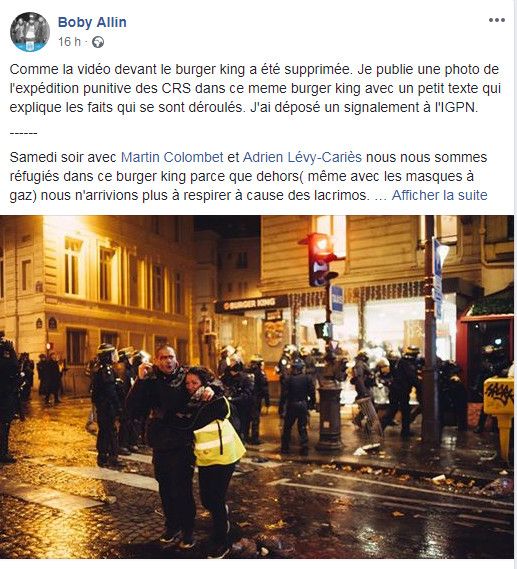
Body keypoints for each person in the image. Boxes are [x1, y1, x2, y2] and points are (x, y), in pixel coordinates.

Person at [126, 344, 213, 548]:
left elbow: (212, 380)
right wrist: (139, 380)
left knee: (183, 488)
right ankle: (172, 526)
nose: (168, 361)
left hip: (182, 441)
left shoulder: (185, 375)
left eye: (171, 357)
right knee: (165, 487)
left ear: (176, 358)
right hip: (160, 442)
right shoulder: (150, 378)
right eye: (163, 357)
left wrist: (210, 389)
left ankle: (188, 530)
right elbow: (131, 407)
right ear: (156, 360)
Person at [182, 366, 245, 559]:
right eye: (187, 383)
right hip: (207, 458)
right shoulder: (192, 401)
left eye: (195, 383)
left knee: (215, 499)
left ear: (204, 383)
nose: (190, 387)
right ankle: (222, 518)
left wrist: (214, 390)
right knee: (207, 499)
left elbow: (194, 422)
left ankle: (221, 542)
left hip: (225, 456)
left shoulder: (214, 400)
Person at [91, 344, 121, 467]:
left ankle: (103, 456)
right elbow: (111, 392)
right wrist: (118, 407)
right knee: (109, 431)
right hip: (107, 407)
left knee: (104, 431)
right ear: (107, 355)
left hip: (103, 407)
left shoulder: (100, 368)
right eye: (112, 353)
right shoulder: (106, 370)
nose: (115, 356)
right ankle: (111, 457)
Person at [279, 356, 315, 455]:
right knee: (302, 427)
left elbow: (284, 396)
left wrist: (281, 408)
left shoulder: (288, 379)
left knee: (287, 427)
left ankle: (285, 448)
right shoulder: (307, 378)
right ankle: (304, 447)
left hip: (292, 405)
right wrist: (312, 404)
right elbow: (312, 392)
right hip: (302, 404)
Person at [220, 353, 254, 442]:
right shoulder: (225, 377)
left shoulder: (245, 378)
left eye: (233, 361)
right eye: (230, 361)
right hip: (229, 408)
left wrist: (234, 399)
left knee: (242, 429)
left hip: (242, 408)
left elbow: (247, 394)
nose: (231, 363)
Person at [0, 338, 21, 463]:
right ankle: (3, 453)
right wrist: (11, 350)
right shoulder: (6, 362)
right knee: (4, 425)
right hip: (4, 397)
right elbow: (15, 366)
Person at [246, 355, 270, 445]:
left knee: (247, 419)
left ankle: (246, 437)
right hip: (256, 399)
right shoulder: (260, 373)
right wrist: (267, 402)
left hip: (246, 399)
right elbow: (264, 388)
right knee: (255, 419)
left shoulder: (246, 372)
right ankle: (255, 439)